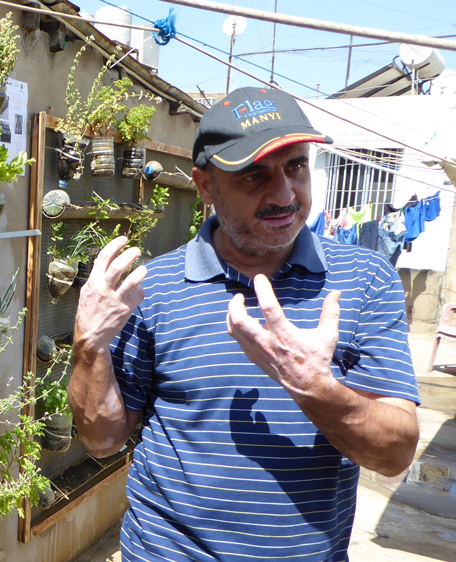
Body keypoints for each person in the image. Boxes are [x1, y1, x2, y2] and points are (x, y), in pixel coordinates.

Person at [69, 87, 420, 561]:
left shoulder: (364, 280)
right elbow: (102, 441)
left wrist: (313, 386)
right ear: (206, 185)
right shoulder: (154, 288)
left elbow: (394, 456)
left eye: (295, 166)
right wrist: (88, 346)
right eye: (255, 176)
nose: (283, 194)